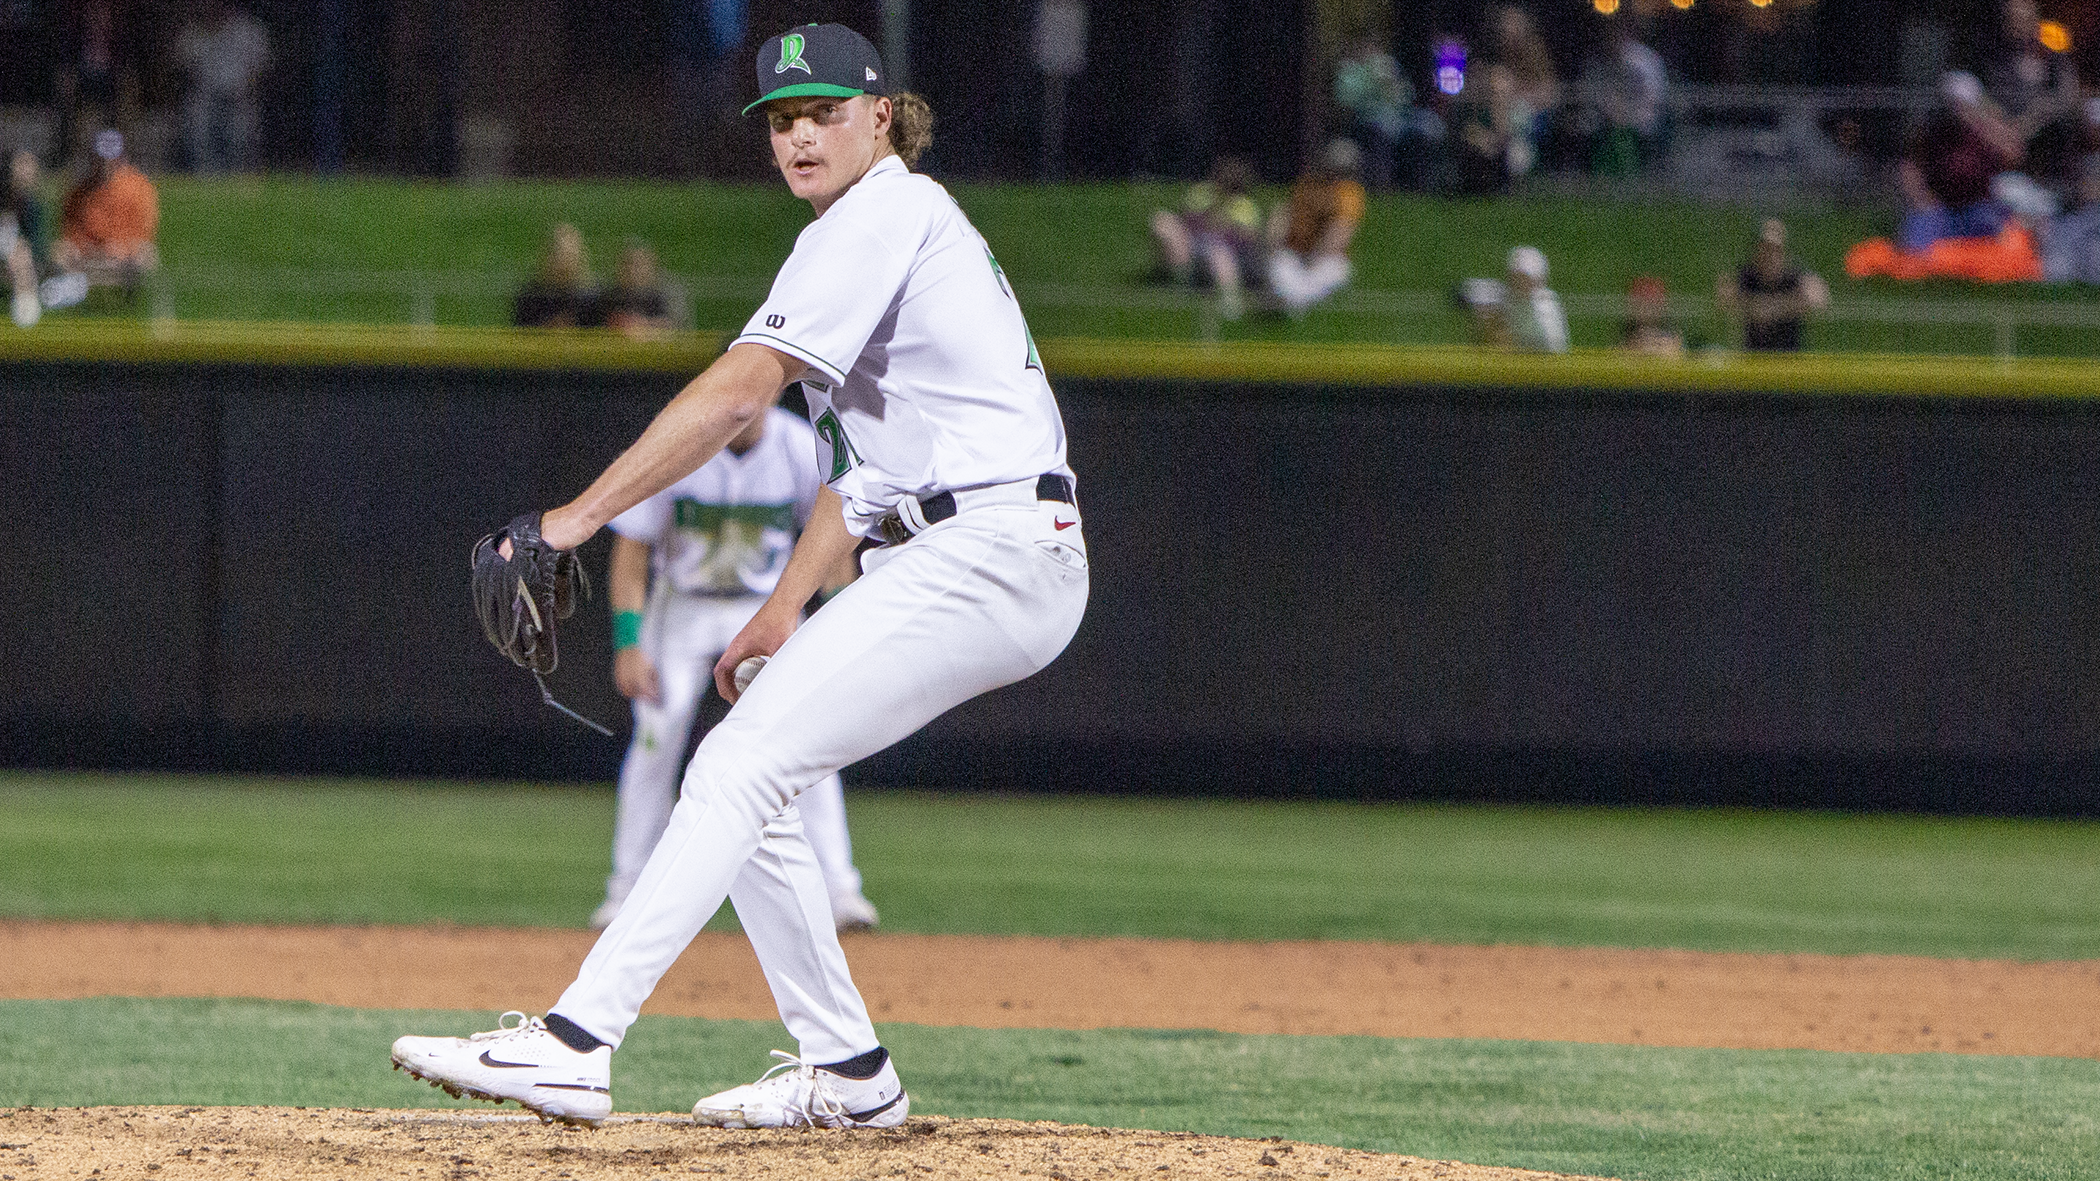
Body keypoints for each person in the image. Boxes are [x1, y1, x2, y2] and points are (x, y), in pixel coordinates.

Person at [391, 22, 1088, 1131]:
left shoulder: (881, 214)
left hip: (992, 544)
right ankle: (851, 1073)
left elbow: (736, 393)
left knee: (735, 768)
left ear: (878, 114)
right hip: (974, 542)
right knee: (747, 770)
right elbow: (857, 484)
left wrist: (566, 524)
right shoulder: (875, 231)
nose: (801, 134)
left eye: (823, 111)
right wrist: (778, 610)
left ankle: (576, 1042)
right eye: (781, 119)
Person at [596, 397, 880, 934]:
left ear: (771, 396)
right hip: (681, 607)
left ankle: (841, 891)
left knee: (803, 738)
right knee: (657, 736)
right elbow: (632, 552)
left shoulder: (798, 446)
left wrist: (840, 618)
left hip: (762, 606)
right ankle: (625, 891)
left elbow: (832, 539)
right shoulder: (681, 446)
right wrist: (628, 643)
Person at [1897, 72, 2023, 253]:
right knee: (1918, 250)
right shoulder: (1932, 131)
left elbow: (2014, 154)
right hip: (1941, 208)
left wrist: (1979, 123)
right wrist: (1922, 200)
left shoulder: (1986, 129)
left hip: (1979, 207)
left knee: (2006, 246)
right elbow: (1910, 166)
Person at [1148, 155, 1264, 320]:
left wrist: (1225, 225)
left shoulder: (1244, 206)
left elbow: (1248, 237)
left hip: (1226, 253)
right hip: (1195, 243)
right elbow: (1186, 217)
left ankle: (1230, 301)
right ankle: (1179, 280)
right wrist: (1207, 217)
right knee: (1162, 221)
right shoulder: (1203, 193)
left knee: (1219, 254)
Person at [1266, 138, 1365, 317]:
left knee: (1336, 271)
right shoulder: (1307, 185)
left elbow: (1339, 235)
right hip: (1293, 252)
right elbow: (1284, 214)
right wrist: (1274, 244)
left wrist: (1315, 259)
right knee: (1278, 266)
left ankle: (1292, 305)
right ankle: (1294, 304)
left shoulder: (1349, 194)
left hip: (1324, 259)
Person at [51, 130, 157, 297]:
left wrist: (121, 248)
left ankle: (127, 296)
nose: (106, 166)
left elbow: (143, 234)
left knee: (146, 254)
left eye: (112, 161)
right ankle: (75, 292)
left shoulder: (139, 188)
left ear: (122, 159)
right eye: (101, 160)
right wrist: (89, 249)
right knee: (60, 251)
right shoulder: (79, 192)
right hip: (90, 253)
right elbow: (71, 233)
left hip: (121, 254)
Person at [175, 0, 271, 174]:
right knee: (200, 138)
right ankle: (204, 183)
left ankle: (242, 183)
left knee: (240, 143)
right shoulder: (195, 33)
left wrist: (247, 88)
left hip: (240, 97)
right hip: (206, 98)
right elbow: (184, 70)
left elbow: (263, 69)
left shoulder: (248, 30)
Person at [1717, 219, 1828, 352]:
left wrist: (1775, 308)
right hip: (1753, 357)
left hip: (1789, 358)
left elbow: (1818, 298)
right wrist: (1755, 307)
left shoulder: (1793, 276)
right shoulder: (1747, 276)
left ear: (1784, 253)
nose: (1770, 256)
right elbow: (1724, 298)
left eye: (1776, 250)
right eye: (1765, 249)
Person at [1332, 35, 1410, 191]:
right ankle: (1381, 182)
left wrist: (1391, 85)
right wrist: (1373, 82)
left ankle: (1413, 184)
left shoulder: (1388, 67)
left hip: (1394, 119)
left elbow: (1404, 97)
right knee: (1378, 132)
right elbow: (1347, 102)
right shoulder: (1349, 72)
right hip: (1361, 120)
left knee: (1423, 129)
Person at [1468, 245, 1567, 353]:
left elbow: (1554, 350)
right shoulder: (1503, 294)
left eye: (1525, 278)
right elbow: (1465, 292)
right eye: (1516, 276)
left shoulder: (1545, 311)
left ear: (1539, 281)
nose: (1519, 282)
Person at [513, 223, 602, 328]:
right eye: (559, 256)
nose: (565, 264)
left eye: (570, 256)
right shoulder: (531, 298)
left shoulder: (593, 299)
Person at [4, 151, 49, 327]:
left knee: (21, 256)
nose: (23, 171)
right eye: (19, 166)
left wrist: (22, 247)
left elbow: (40, 240)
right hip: (9, 247)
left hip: (24, 254)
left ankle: (25, 302)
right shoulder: (6, 196)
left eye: (27, 166)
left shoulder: (39, 202)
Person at [601, 242, 676, 340]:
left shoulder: (662, 299)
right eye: (628, 264)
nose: (633, 271)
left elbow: (670, 328)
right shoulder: (608, 298)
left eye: (640, 265)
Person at [1619, 276, 1683, 357]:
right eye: (1641, 305)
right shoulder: (1626, 332)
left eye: (1651, 305)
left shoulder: (1671, 331)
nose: (1646, 310)